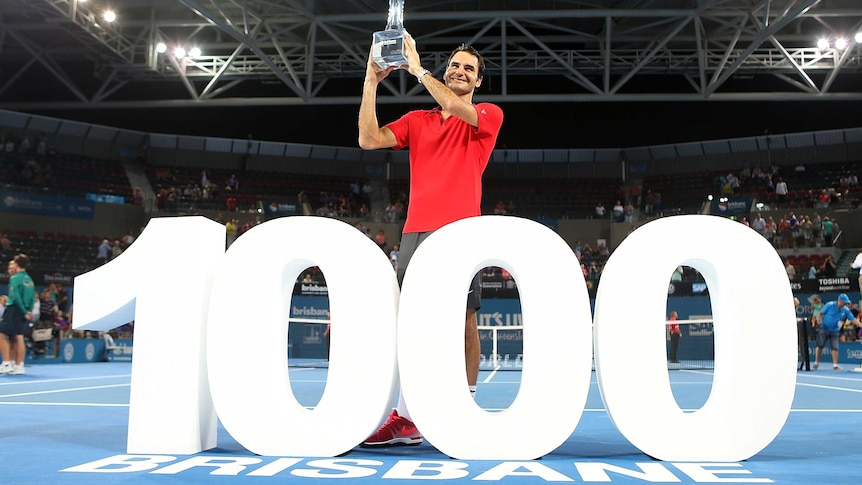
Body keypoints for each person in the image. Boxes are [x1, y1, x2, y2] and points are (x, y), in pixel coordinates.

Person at [358, 34, 503, 447]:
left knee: (465, 323)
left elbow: (455, 106)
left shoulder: (486, 114)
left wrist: (417, 68)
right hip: (415, 233)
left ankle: (466, 409)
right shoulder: (417, 121)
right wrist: (371, 83)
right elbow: (368, 138)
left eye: (468, 69)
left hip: (459, 232)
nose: (459, 71)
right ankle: (406, 418)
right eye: (455, 65)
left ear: (477, 83)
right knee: (413, 328)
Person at [0, 254, 36, 375]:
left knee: (1, 335)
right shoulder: (29, 279)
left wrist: (24, 311)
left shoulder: (15, 278)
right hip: (25, 310)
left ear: (17, 263)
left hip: (14, 309)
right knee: (17, 337)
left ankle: (6, 363)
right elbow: (32, 298)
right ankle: (18, 365)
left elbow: (16, 297)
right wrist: (28, 311)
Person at [813, 293, 860, 371]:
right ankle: (816, 362)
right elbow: (821, 313)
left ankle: (835, 365)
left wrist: (860, 325)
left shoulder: (845, 310)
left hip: (835, 330)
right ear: (840, 301)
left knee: (835, 347)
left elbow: (853, 320)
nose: (845, 304)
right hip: (824, 328)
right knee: (820, 345)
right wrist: (819, 319)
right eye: (844, 302)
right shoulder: (830, 305)